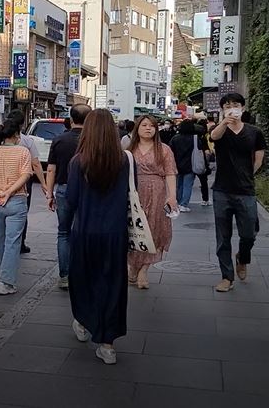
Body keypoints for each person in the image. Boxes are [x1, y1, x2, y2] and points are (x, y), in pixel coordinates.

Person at [66, 108, 130, 365]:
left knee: (83, 280)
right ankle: (107, 344)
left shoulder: (78, 162)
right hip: (115, 233)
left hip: (85, 231)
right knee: (113, 284)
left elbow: (71, 200)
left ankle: (84, 321)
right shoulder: (124, 161)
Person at [210, 93, 266, 292]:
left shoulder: (254, 132)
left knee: (249, 233)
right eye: (227, 105)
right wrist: (224, 122)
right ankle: (227, 277)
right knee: (223, 236)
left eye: (235, 104)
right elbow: (213, 137)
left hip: (246, 190)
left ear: (242, 107)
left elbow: (259, 157)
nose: (231, 107)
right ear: (223, 109)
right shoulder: (220, 130)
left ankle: (242, 257)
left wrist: (250, 173)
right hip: (222, 190)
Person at [126, 116, 178, 289]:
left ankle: (144, 270)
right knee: (134, 230)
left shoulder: (164, 149)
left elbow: (170, 173)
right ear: (137, 128)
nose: (148, 128)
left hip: (157, 192)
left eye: (152, 126)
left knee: (153, 230)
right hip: (134, 192)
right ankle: (133, 265)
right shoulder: (129, 148)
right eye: (144, 125)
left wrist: (172, 196)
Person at [0, 122, 33, 295]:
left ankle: (4, 277)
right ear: (16, 135)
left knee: (1, 241)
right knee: (13, 242)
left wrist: (2, 188)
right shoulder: (23, 152)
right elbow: (25, 175)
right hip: (16, 200)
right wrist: (10, 190)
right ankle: (5, 282)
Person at [45, 103, 92, 290]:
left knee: (63, 232)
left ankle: (64, 275)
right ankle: (83, 273)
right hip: (89, 192)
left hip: (64, 189)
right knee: (85, 232)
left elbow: (51, 169)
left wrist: (49, 194)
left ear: (71, 119)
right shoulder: (93, 141)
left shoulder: (59, 140)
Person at [7, 109, 47, 254]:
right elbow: (36, 164)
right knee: (21, 212)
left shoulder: (0, 140)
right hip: (24, 181)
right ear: (22, 124)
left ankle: (6, 240)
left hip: (3, 179)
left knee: (3, 209)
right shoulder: (27, 141)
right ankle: (20, 242)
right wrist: (43, 183)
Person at [170, 119, 203, 212]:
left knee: (178, 185)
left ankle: (178, 202)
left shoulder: (175, 138)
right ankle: (184, 204)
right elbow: (200, 150)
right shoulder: (195, 139)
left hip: (177, 165)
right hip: (190, 165)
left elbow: (170, 151)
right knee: (187, 185)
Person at [196, 118, 213, 206]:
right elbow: (207, 152)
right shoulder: (203, 138)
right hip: (201, 162)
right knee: (203, 182)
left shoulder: (192, 138)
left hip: (189, 163)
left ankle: (181, 202)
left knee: (184, 182)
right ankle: (205, 200)